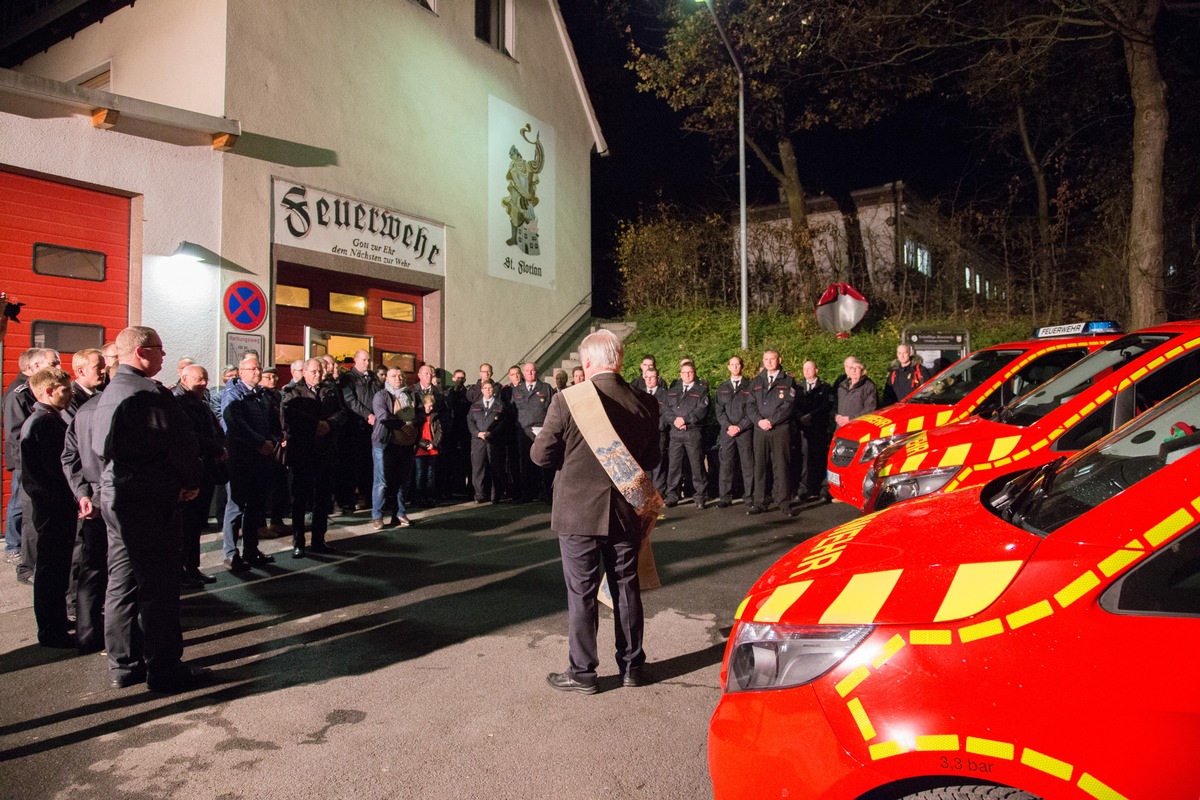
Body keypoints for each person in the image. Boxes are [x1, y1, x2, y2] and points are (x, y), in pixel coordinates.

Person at [531, 329, 661, 694]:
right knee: (626, 586)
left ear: (587, 363)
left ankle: (583, 673)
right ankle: (633, 666)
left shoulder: (567, 399)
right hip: (625, 510)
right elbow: (651, 459)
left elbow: (541, 457)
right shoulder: (645, 402)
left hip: (578, 513)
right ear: (618, 360)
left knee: (582, 592)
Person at [88, 326, 205, 692]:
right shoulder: (150, 394)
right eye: (159, 349)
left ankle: (123, 665)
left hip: (115, 493)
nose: (164, 356)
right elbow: (180, 443)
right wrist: (189, 482)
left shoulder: (108, 394)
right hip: (149, 497)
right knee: (159, 584)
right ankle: (164, 668)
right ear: (141, 352)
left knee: (121, 580)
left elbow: (94, 449)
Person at [19, 367, 76, 647]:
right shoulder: (43, 422)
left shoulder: (49, 418)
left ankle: (56, 620)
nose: (70, 394)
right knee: (51, 569)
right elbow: (55, 469)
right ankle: (51, 630)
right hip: (52, 505)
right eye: (65, 390)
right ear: (48, 391)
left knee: (56, 566)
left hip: (54, 503)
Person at [282, 358, 347, 556]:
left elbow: (342, 412)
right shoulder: (292, 391)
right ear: (305, 372)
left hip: (325, 452)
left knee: (322, 499)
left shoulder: (330, 389)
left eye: (320, 370)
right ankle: (298, 542)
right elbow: (289, 415)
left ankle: (319, 540)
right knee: (300, 499)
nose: (318, 374)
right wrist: (315, 425)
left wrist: (330, 424)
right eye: (314, 371)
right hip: (302, 452)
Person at [61, 380, 107, 653]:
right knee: (123, 573)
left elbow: (69, 457)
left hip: (93, 498)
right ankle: (124, 640)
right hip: (118, 500)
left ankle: (87, 634)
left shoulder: (84, 410)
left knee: (93, 568)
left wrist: (83, 494)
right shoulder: (126, 406)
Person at [221, 355, 279, 571]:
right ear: (241, 372)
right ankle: (230, 553)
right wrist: (258, 443)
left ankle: (251, 549)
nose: (257, 372)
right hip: (241, 459)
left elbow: (273, 423)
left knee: (255, 506)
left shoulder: (262, 395)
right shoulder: (233, 394)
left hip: (262, 459)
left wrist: (271, 440)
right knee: (236, 507)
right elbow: (235, 424)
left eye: (259, 368)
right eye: (253, 369)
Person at [6, 348, 60, 580]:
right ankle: (21, 559)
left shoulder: (47, 391)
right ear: (34, 367)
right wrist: (26, 467)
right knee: (24, 510)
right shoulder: (19, 395)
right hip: (26, 464)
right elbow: (17, 436)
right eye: (52, 363)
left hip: (43, 464)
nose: (57, 367)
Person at [173, 365, 226, 586]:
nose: (204, 383)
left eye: (206, 378)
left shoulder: (201, 401)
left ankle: (192, 568)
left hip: (206, 470)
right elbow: (187, 435)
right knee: (186, 526)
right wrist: (215, 447)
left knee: (196, 524)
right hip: (191, 471)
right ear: (184, 378)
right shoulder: (178, 401)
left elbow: (214, 428)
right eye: (199, 379)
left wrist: (220, 446)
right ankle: (182, 571)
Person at [747, 349, 798, 517]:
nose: (769, 362)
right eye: (766, 359)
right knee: (760, 465)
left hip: (779, 429)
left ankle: (784, 502)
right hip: (760, 429)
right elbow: (750, 405)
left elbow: (788, 406)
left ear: (779, 360)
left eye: (772, 359)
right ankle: (759, 501)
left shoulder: (788, 380)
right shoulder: (756, 382)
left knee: (782, 465)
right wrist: (760, 421)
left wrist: (772, 421)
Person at [370, 366, 415, 529]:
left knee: (402, 481)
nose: (398, 378)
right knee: (382, 482)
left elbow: (421, 414)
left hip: (406, 444)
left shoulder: (410, 395)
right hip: (384, 443)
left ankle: (400, 513)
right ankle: (377, 516)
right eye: (394, 376)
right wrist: (403, 425)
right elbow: (383, 416)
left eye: (401, 375)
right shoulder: (380, 396)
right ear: (386, 379)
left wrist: (414, 423)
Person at [337, 349, 379, 512]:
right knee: (352, 464)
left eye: (368, 360)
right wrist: (367, 414)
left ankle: (366, 496)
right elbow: (350, 400)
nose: (367, 363)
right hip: (355, 427)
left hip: (372, 428)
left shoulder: (373, 377)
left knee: (368, 464)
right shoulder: (348, 378)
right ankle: (348, 498)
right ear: (355, 360)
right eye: (363, 360)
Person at [663, 360, 708, 508]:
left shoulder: (701, 391)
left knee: (696, 465)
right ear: (680, 374)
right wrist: (675, 421)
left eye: (690, 372)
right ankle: (671, 495)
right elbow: (666, 409)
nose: (687, 375)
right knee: (674, 466)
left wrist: (685, 420)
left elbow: (701, 411)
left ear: (694, 374)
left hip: (692, 432)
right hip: (676, 432)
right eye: (685, 372)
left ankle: (700, 496)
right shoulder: (673, 390)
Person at [511, 362, 555, 503]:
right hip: (524, 432)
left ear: (537, 372)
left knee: (543, 462)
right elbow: (513, 410)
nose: (530, 373)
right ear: (523, 373)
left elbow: (551, 410)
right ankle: (527, 493)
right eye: (527, 371)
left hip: (541, 431)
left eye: (532, 371)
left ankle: (547, 494)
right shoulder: (517, 390)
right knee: (525, 463)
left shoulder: (546, 388)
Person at [715, 356, 754, 507]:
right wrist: (728, 426)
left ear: (741, 366)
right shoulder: (722, 388)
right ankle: (725, 497)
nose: (735, 367)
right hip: (727, 432)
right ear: (728, 367)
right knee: (726, 464)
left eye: (737, 364)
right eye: (732, 364)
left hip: (744, 431)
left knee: (747, 464)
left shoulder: (749, 386)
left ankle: (749, 495)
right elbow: (719, 411)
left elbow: (752, 410)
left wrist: (740, 427)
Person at [793, 360, 834, 500]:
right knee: (803, 459)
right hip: (802, 428)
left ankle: (823, 489)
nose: (807, 371)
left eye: (810, 368)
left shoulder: (825, 388)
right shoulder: (798, 387)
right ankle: (803, 489)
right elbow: (793, 405)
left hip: (818, 428)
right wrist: (800, 417)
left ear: (816, 370)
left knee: (820, 458)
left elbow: (826, 406)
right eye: (804, 369)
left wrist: (811, 415)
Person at [467, 379, 506, 503]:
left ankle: (496, 496)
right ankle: (480, 494)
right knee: (478, 469)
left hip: (494, 441)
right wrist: (477, 433)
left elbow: (503, 423)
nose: (488, 390)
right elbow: (470, 421)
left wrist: (492, 433)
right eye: (485, 388)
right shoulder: (475, 406)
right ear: (482, 390)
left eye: (490, 388)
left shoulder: (500, 405)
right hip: (478, 441)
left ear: (493, 390)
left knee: (496, 468)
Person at [642, 368, 670, 496]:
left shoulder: (665, 394)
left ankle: (659, 492)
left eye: (652, 377)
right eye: (647, 377)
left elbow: (666, 413)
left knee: (659, 461)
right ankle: (647, 492)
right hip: (644, 433)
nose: (649, 380)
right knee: (645, 462)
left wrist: (658, 426)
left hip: (659, 432)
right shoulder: (639, 393)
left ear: (657, 378)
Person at [412, 393, 442, 506]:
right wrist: (424, 444)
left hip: (432, 449)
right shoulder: (418, 417)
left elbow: (439, 431)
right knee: (420, 474)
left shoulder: (435, 416)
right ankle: (419, 497)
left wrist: (434, 444)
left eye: (432, 406)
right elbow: (415, 434)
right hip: (421, 449)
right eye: (429, 406)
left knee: (431, 474)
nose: (431, 408)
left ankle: (429, 496)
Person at [836, 357, 878, 427]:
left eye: (857, 368)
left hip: (858, 427)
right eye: (852, 368)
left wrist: (850, 419)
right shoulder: (842, 386)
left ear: (863, 372)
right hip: (840, 427)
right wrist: (836, 416)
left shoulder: (869, 386)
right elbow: (835, 405)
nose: (854, 370)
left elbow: (870, 409)